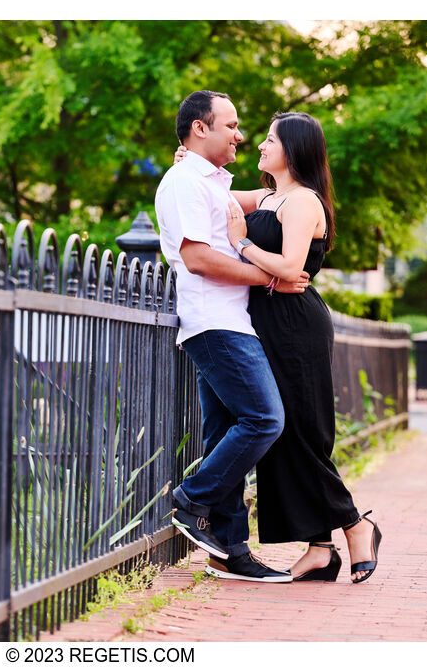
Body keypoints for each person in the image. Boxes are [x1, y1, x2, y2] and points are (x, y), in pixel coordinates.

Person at [175, 111, 382, 583]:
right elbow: (215, 196)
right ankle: (321, 549)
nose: (259, 145)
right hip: (267, 321)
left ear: (293, 148)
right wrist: (190, 161)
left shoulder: (304, 200)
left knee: (301, 433)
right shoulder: (268, 195)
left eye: (270, 139)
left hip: (295, 325)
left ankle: (354, 526)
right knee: (284, 436)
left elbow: (290, 268)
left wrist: (241, 243)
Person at [155, 90, 310, 583]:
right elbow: (197, 258)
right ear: (200, 129)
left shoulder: (211, 182)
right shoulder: (184, 182)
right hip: (214, 323)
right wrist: (270, 278)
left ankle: (229, 550)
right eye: (232, 125)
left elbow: (267, 202)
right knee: (265, 419)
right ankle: (190, 499)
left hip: (229, 320)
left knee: (225, 433)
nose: (240, 135)